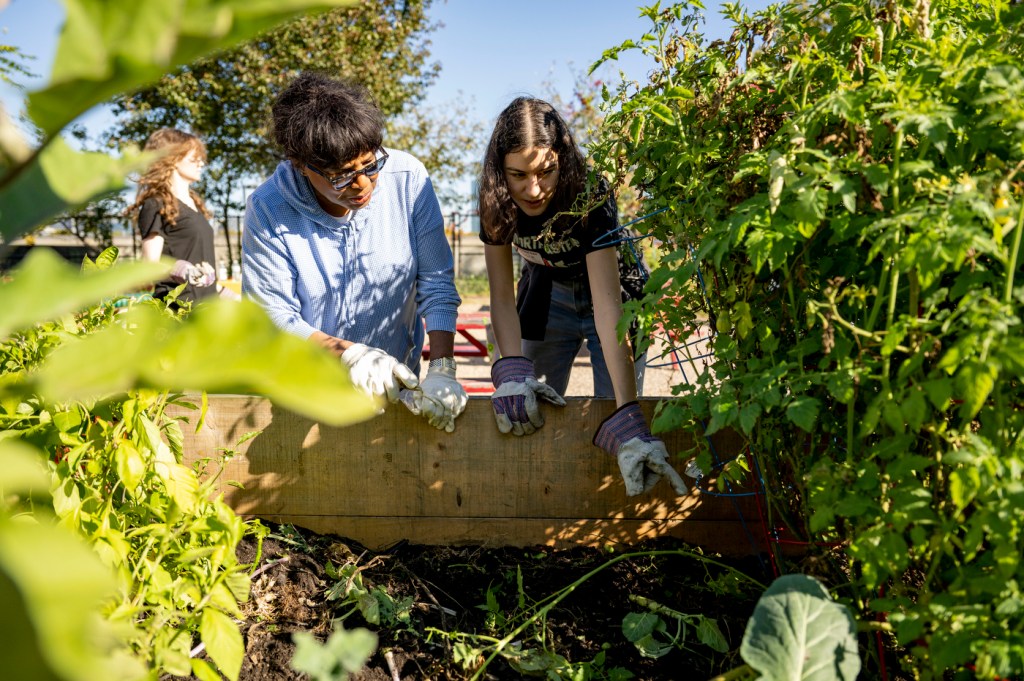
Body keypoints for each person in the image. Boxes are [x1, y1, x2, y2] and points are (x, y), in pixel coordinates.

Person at [477, 97, 686, 497]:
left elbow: (609, 306)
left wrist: (629, 412)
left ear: (563, 160)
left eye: (546, 171)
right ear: (500, 171)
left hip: (608, 291)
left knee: (615, 406)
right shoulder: (495, 197)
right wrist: (511, 372)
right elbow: (501, 297)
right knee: (526, 400)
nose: (533, 189)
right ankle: (533, 494)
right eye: (518, 175)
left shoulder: (589, 191)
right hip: (545, 291)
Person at [241, 72, 466, 432]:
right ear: (301, 165)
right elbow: (271, 315)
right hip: (306, 394)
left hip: (394, 384)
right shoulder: (269, 208)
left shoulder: (407, 178)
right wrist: (348, 354)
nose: (362, 185)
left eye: (370, 165)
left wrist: (443, 368)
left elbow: (436, 283)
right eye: (342, 175)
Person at [129, 128, 218, 306]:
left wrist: (233, 296)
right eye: (195, 157)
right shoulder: (155, 204)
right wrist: (185, 271)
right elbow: (150, 265)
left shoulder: (195, 205)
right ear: (173, 158)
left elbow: (202, 271)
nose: (201, 163)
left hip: (207, 311)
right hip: (177, 311)